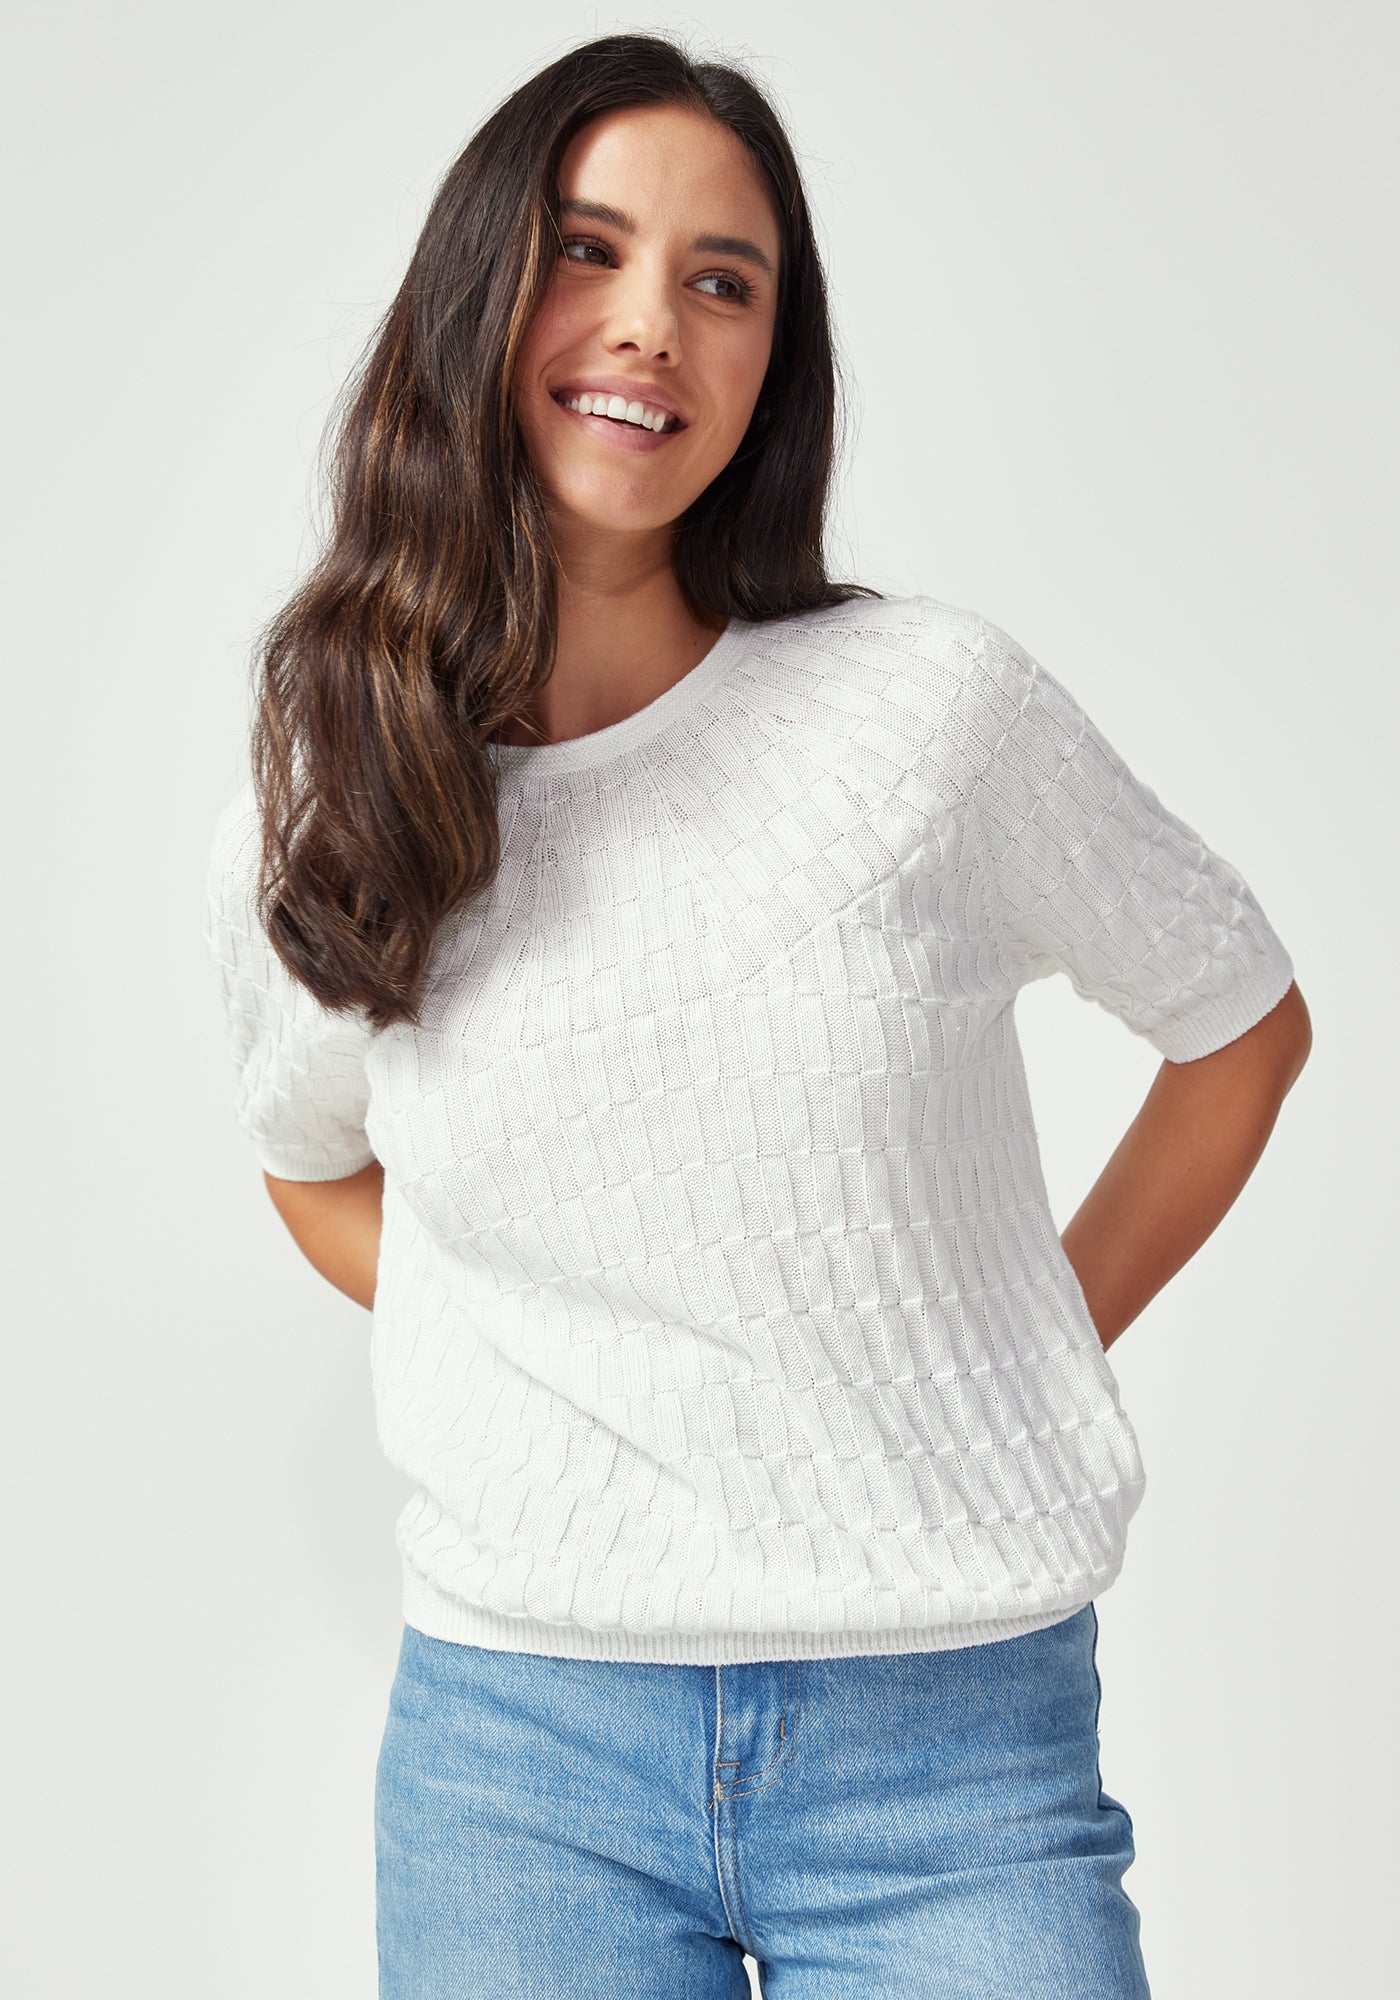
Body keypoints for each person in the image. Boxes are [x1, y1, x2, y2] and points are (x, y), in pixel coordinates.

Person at [202, 31, 1311, 2000]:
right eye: (587, 250)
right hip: (519, 1763)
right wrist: (562, 1345)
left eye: (723, 281)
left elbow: (1237, 1024)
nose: (651, 321)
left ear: (770, 364)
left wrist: (1031, 1327)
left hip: (951, 1750)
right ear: (474, 292)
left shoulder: (928, 719)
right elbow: (309, 1165)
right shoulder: (338, 792)